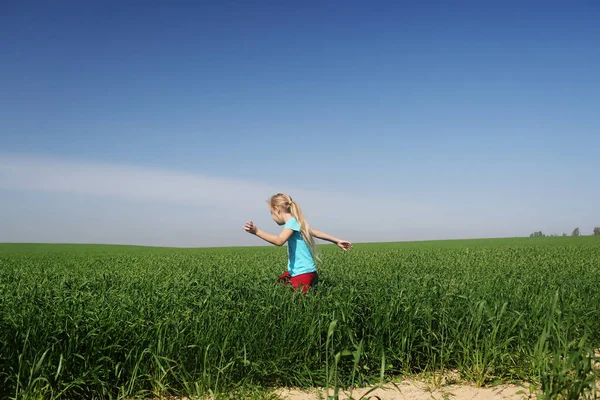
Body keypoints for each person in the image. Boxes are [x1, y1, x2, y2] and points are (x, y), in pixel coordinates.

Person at [242, 192, 352, 293]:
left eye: (271, 213)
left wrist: (256, 231)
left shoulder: (291, 223)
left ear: (277, 209)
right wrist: (337, 241)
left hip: (303, 273)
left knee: (297, 303)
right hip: (300, 271)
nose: (272, 217)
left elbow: (279, 241)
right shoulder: (297, 222)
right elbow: (316, 233)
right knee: (277, 289)